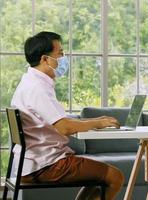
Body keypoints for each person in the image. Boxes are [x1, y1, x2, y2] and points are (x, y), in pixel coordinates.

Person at [11, 31, 124, 200]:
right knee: (115, 177)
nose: (64, 58)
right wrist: (98, 124)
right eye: (60, 54)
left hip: (33, 162)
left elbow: (60, 121)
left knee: (95, 176)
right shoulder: (37, 88)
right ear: (44, 59)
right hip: (46, 165)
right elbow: (65, 127)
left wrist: (96, 120)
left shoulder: (30, 82)